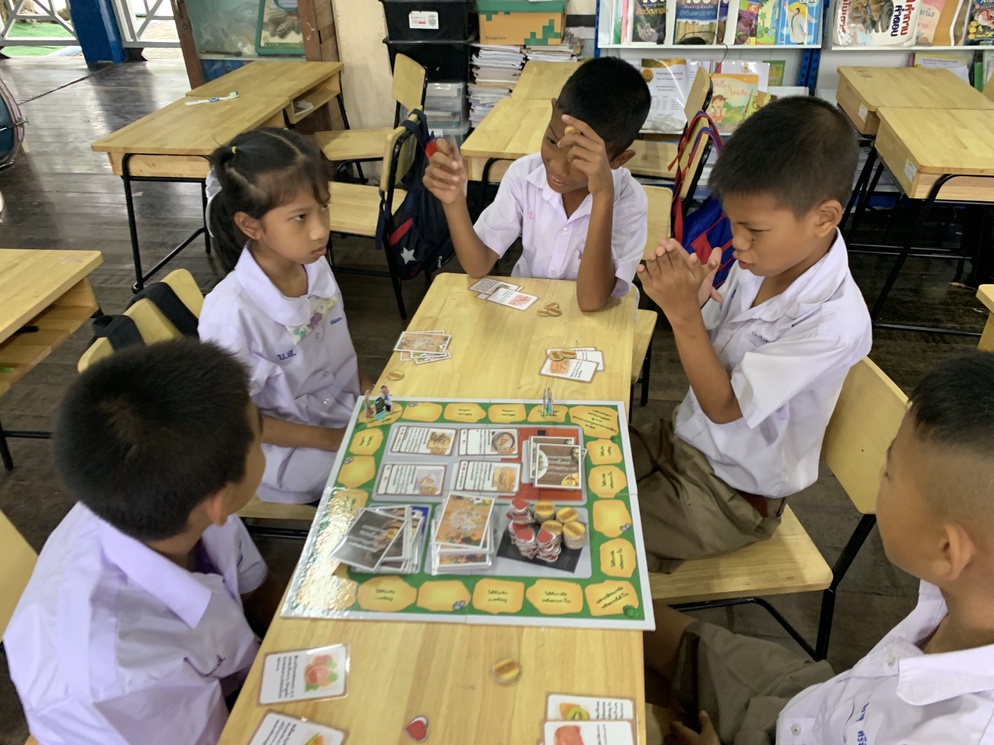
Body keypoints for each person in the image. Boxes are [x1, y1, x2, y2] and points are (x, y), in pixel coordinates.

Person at [646, 350, 994, 745]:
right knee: (628, 619)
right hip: (812, 702)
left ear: (948, 550)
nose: (881, 472)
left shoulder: (961, 732)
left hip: (801, 719)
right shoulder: (967, 592)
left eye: (891, 472)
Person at [633, 96, 872, 572]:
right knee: (566, 469)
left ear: (825, 217)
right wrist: (698, 299)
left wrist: (683, 316)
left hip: (731, 497)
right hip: (682, 442)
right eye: (732, 222)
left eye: (753, 230)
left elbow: (725, 407)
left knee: (583, 530)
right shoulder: (764, 260)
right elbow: (720, 342)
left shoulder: (833, 322)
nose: (737, 242)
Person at [6, 340, 282, 745]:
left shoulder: (160, 492)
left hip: (229, 676)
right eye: (259, 439)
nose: (264, 442)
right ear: (220, 500)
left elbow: (254, 586)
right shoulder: (114, 676)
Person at [199, 128, 372, 504]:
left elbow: (339, 351)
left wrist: (369, 392)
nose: (320, 229)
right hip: (288, 455)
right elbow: (238, 420)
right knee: (390, 472)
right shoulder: (230, 315)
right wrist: (335, 439)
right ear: (250, 225)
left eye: (323, 207)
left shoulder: (314, 265)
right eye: (299, 217)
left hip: (342, 419)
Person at [423, 57, 652, 312]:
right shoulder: (524, 175)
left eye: (580, 159)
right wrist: (454, 202)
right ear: (552, 111)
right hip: (531, 313)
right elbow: (478, 265)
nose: (558, 167)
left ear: (618, 160)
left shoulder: (628, 200)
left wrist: (602, 197)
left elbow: (591, 301)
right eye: (552, 141)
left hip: (593, 321)